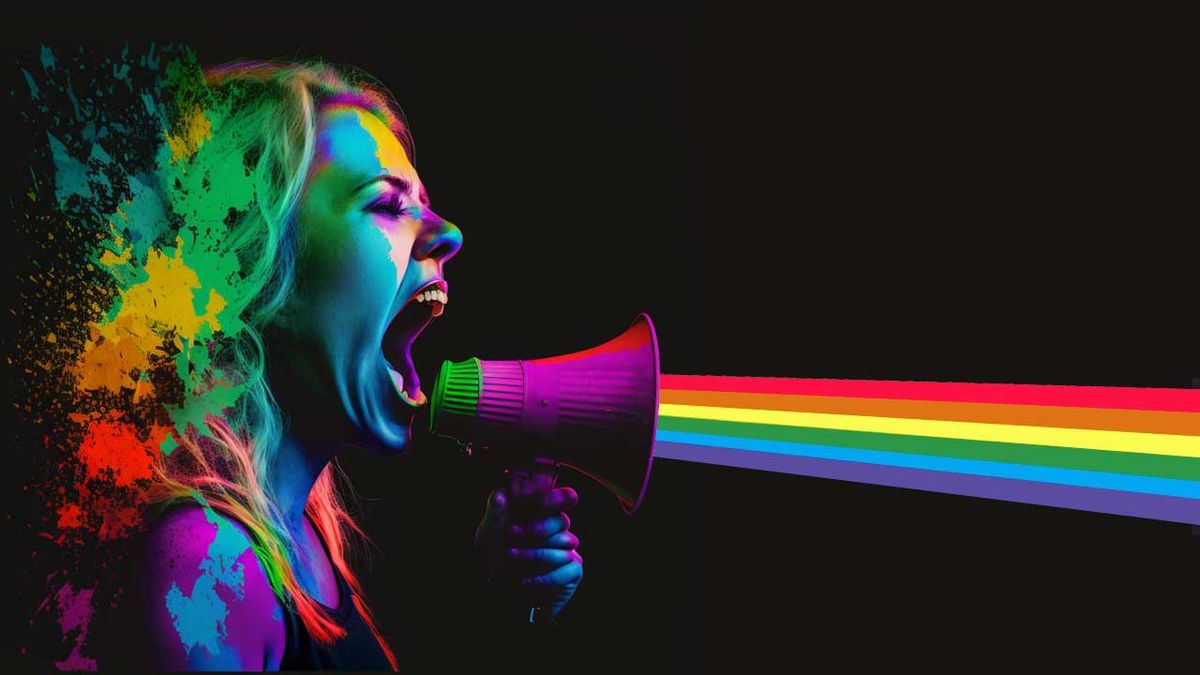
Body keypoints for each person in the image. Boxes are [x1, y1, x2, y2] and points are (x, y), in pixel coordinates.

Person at [109, 60, 584, 671]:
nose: (450, 234)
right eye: (388, 204)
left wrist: (503, 609)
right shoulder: (205, 572)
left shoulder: (299, 546)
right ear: (255, 263)